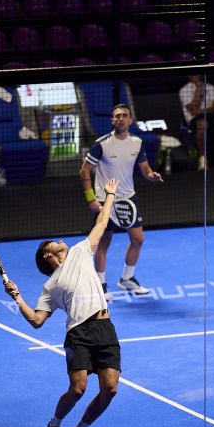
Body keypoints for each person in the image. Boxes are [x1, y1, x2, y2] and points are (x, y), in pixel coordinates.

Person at [3, 176, 122, 427]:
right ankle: (54, 426)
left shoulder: (81, 252)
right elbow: (36, 320)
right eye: (54, 243)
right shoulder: (50, 285)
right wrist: (18, 297)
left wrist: (109, 196)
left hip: (105, 329)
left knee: (110, 389)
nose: (60, 240)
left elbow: (101, 224)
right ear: (47, 256)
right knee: (78, 388)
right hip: (78, 334)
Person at [80, 104, 164, 301]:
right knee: (104, 242)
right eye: (117, 116)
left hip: (128, 198)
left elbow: (145, 169)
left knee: (138, 239)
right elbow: (84, 170)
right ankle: (100, 285)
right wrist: (91, 198)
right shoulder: (101, 144)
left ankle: (127, 278)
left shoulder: (137, 142)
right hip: (105, 199)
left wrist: (151, 176)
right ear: (112, 121)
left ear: (130, 120)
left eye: (124, 115)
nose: (121, 119)